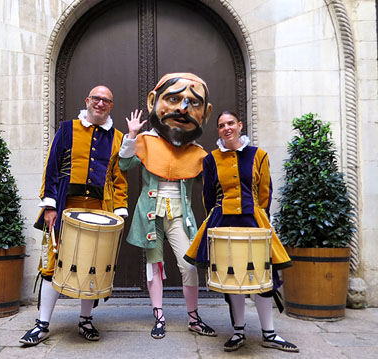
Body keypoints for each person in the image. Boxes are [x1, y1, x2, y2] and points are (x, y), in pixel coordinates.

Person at [20, 85, 128, 345]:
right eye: (97, 99)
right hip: (66, 206)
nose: (100, 103)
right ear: (87, 100)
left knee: (93, 264)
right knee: (53, 263)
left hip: (100, 208)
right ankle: (42, 324)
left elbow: (119, 178)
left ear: (111, 106)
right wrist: (49, 206)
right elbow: (52, 166)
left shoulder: (118, 137)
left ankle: (85, 320)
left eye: (106, 100)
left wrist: (119, 211)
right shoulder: (67, 129)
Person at [185, 111, 299, 352]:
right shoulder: (211, 158)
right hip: (223, 221)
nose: (226, 128)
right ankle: (238, 331)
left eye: (230, 124)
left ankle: (269, 333)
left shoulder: (259, 155)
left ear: (239, 125)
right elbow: (207, 195)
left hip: (253, 221)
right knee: (231, 277)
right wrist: (214, 218)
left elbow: (265, 192)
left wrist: (260, 216)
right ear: (218, 130)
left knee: (262, 278)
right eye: (221, 125)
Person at [119, 73, 216, 339]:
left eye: (191, 103)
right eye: (174, 99)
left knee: (188, 266)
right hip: (150, 215)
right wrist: (132, 135)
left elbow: (212, 183)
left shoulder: (196, 151)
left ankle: (194, 318)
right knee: (155, 266)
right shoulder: (147, 141)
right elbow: (125, 165)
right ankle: (158, 315)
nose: (183, 108)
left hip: (179, 216)